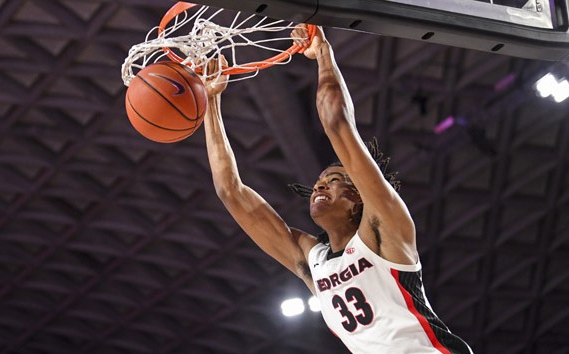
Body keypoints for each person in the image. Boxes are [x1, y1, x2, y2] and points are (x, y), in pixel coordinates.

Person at [202, 24, 473, 354]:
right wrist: (211, 102)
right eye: (317, 183)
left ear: (358, 196)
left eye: (333, 181)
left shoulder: (384, 227)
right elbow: (230, 191)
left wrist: (323, 54)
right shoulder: (312, 261)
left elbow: (336, 122)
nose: (319, 187)